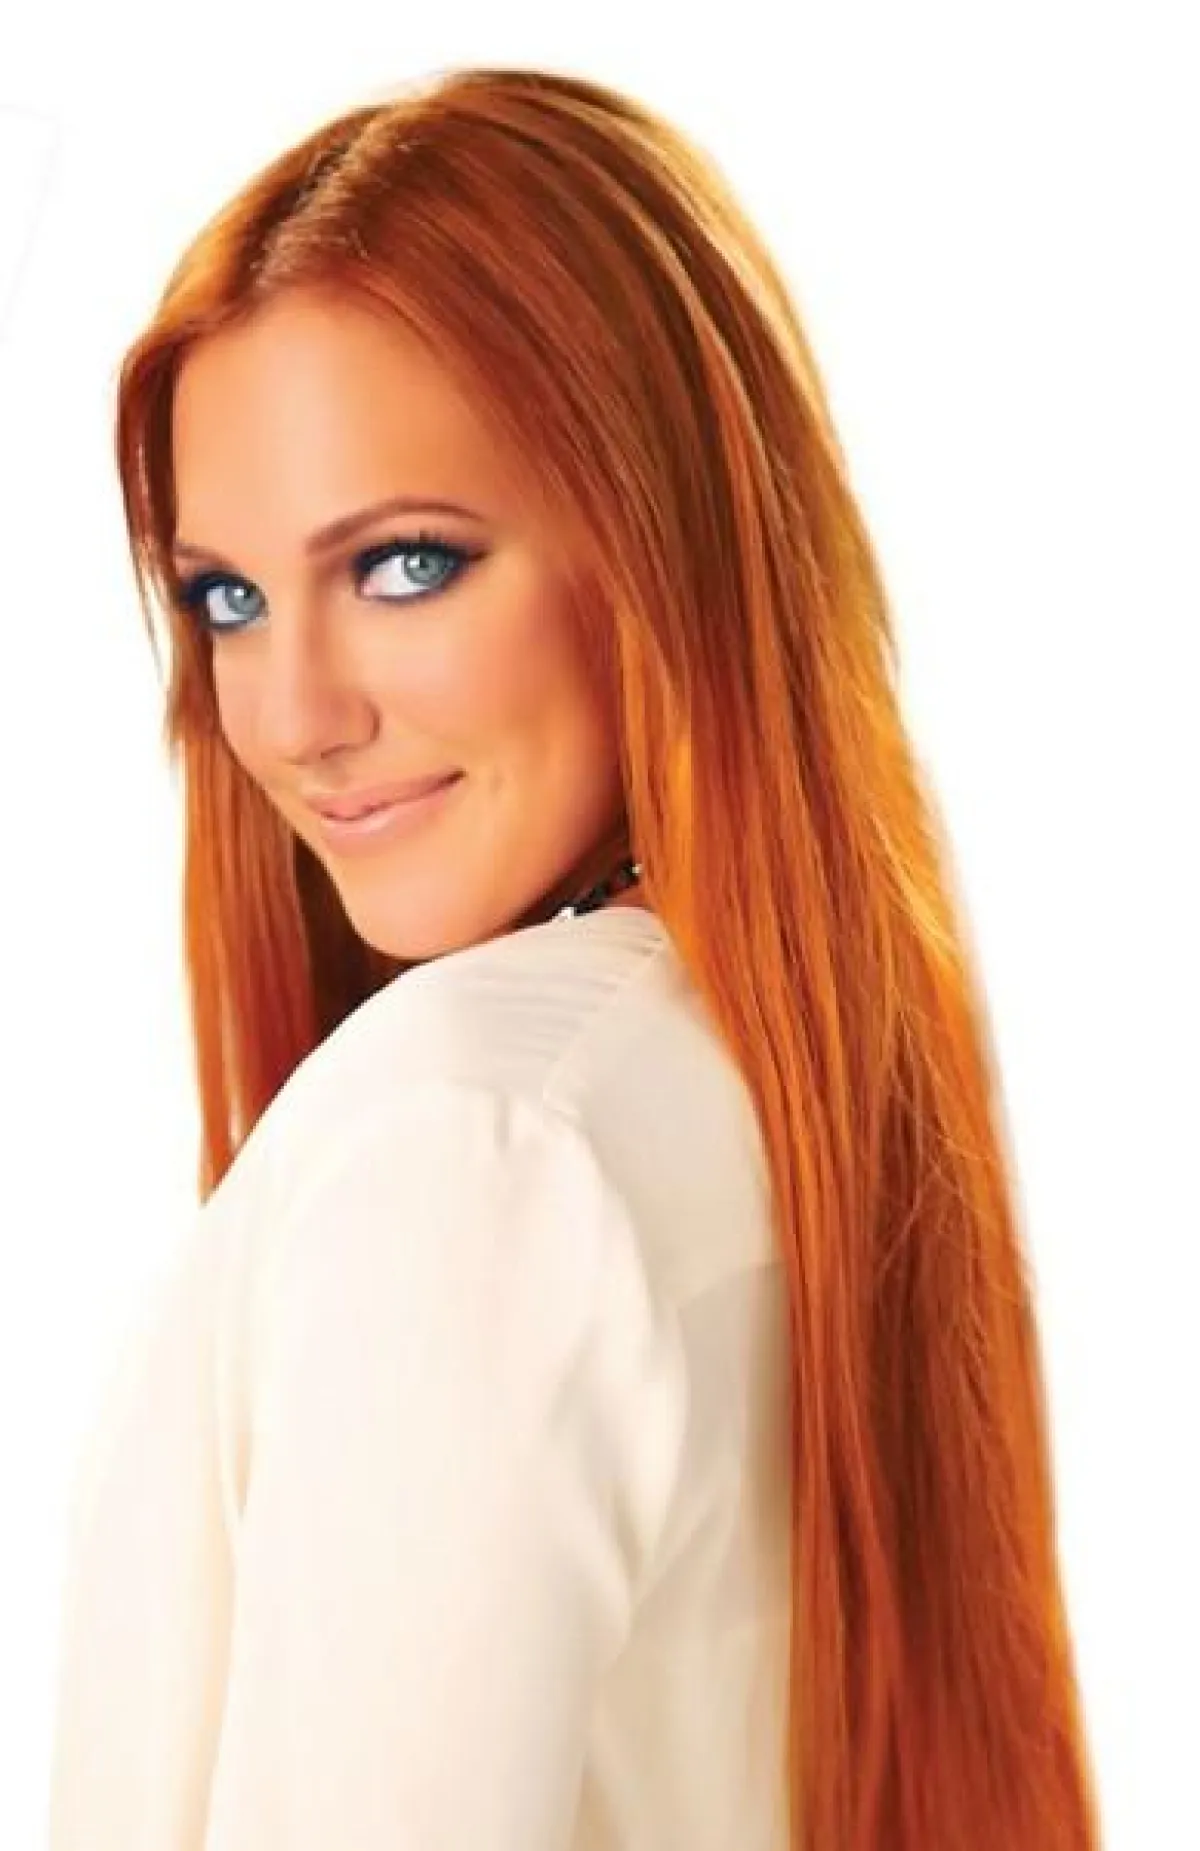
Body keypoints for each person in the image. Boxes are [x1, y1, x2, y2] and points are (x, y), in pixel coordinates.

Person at [45, 65, 1103, 1851]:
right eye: (227, 597)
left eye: (405, 564)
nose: (292, 716)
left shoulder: (470, 1137)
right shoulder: (747, 1074)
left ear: (659, 546)